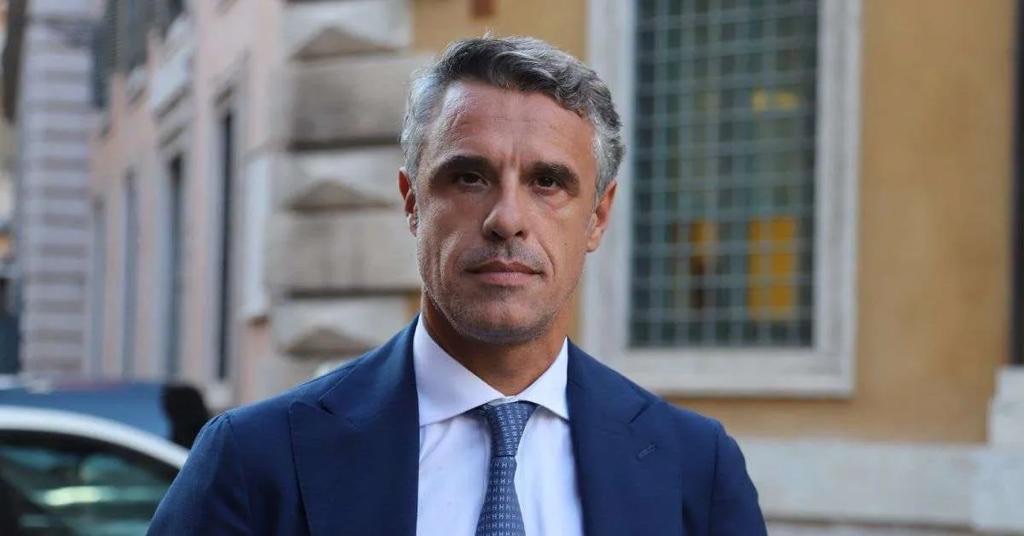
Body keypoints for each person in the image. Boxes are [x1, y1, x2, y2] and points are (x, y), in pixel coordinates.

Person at [149, 36, 766, 535]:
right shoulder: (255, 461)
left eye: (548, 182)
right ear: (412, 202)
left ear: (598, 217)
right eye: (469, 177)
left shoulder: (695, 468)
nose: (507, 219)